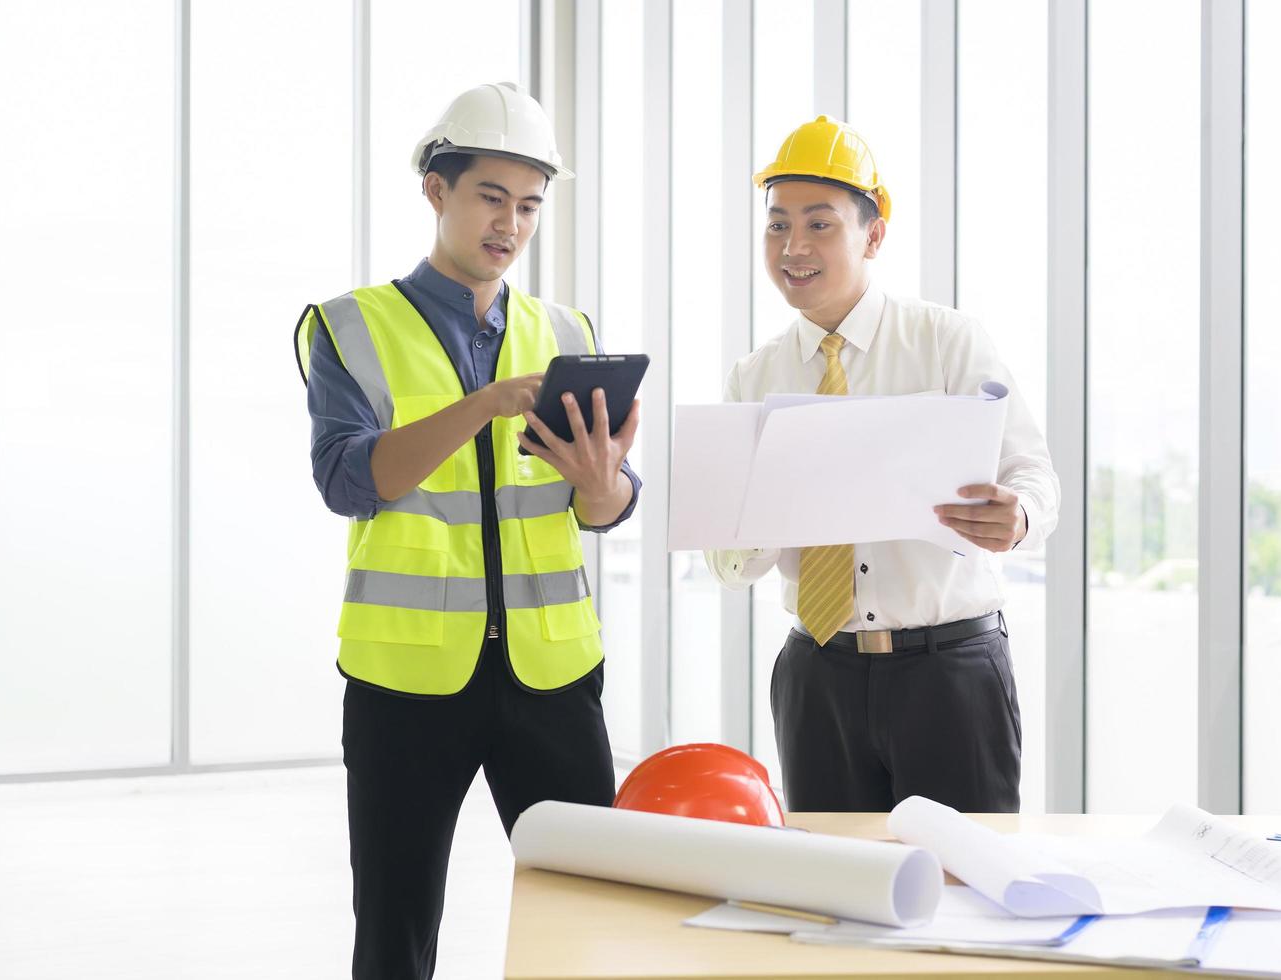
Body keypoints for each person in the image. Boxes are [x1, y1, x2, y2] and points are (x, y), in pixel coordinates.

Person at [294, 82, 640, 979]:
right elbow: (345, 480)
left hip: (553, 672)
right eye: (491, 196)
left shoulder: (565, 331)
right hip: (407, 681)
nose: (510, 224)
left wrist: (604, 488)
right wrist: (482, 405)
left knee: (590, 916)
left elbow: (602, 507)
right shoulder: (351, 328)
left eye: (528, 205)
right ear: (435, 191)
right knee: (397, 928)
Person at [706, 115, 1059, 815]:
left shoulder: (945, 342)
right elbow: (728, 564)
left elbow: (1033, 475)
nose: (793, 247)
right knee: (837, 890)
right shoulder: (755, 377)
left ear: (872, 235)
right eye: (776, 226)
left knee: (967, 891)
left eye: (819, 225)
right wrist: (759, 522)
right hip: (816, 673)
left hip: (950, 674)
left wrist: (1017, 517)